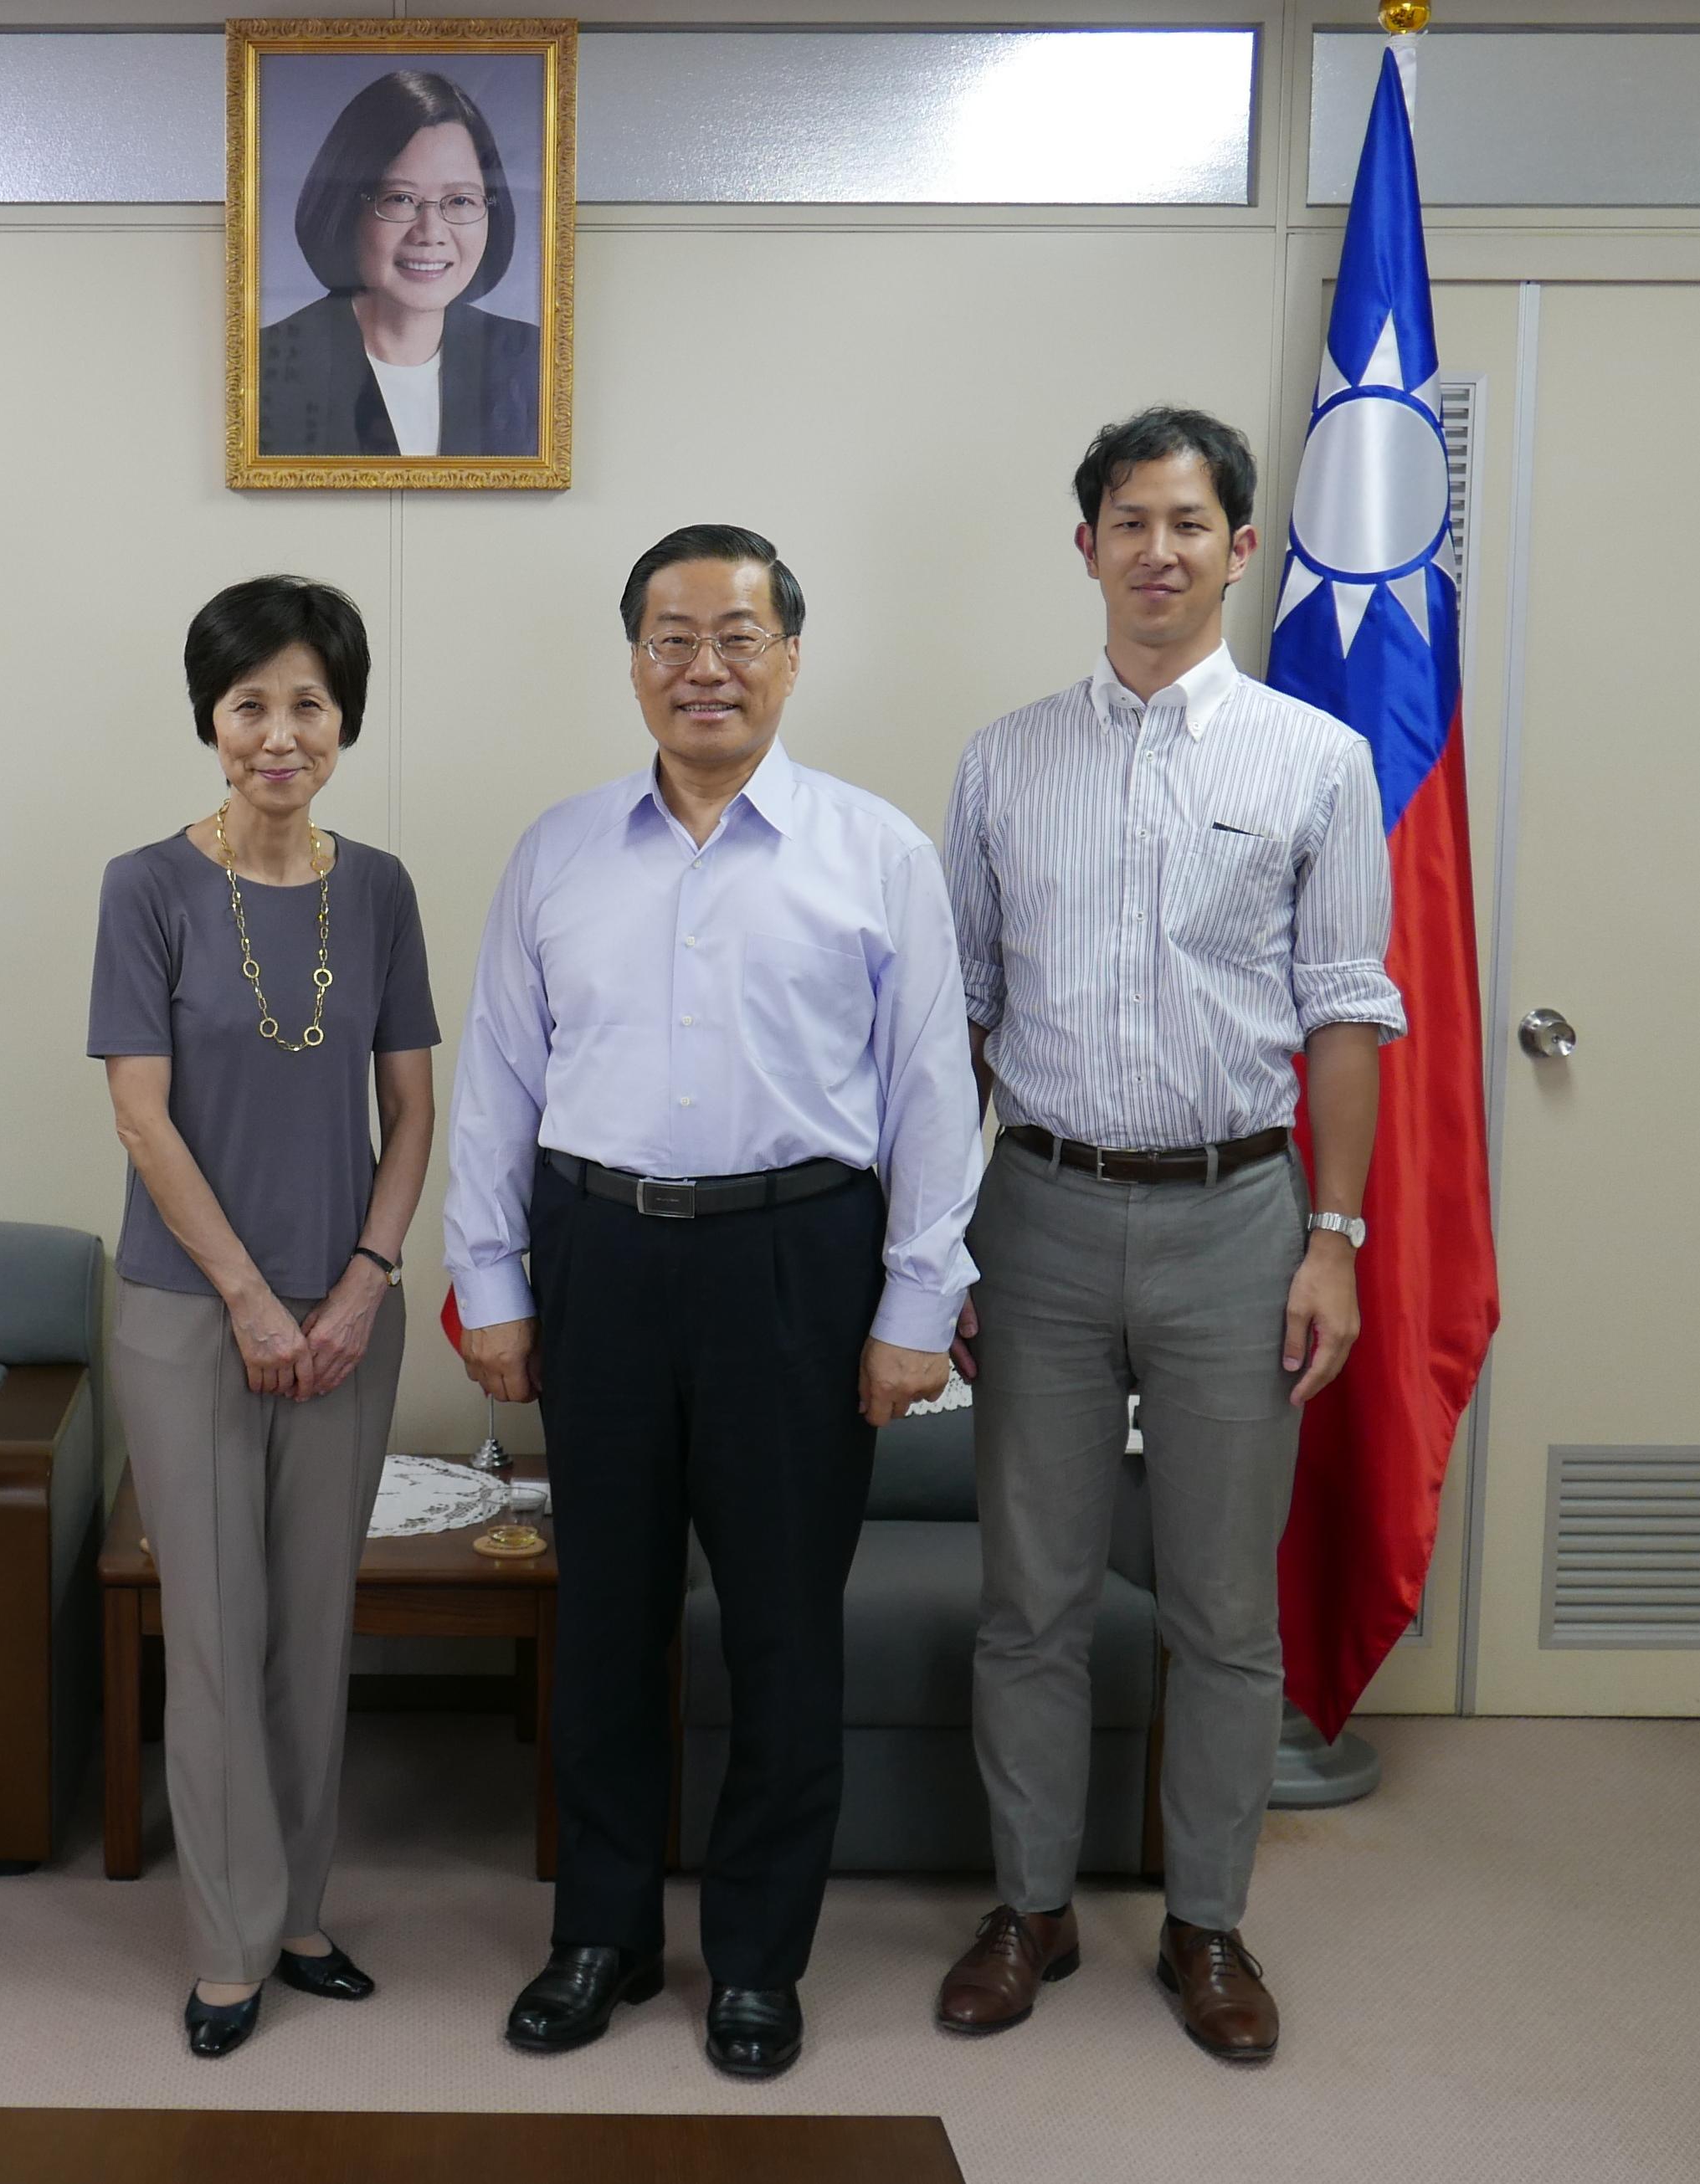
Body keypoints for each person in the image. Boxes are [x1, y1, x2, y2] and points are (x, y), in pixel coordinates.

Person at [444, 525, 983, 2082]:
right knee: (605, 1618)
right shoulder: (557, 851)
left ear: (791, 658)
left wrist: (914, 1306)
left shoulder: (877, 851)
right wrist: (491, 1283)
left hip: (798, 1261)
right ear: (634, 663)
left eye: (738, 636)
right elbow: (498, 1081)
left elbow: (932, 1093)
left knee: (784, 1634)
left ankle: (756, 1958)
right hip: (599, 1256)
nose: (705, 667)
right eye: (672, 638)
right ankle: (600, 1936)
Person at [935, 408, 1404, 2064]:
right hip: (1040, 1217)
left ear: (1239, 547)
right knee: (1030, 1602)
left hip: (1238, 1221)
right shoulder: (1001, 762)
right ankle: (1030, 1906)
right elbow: (956, 1020)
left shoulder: (1314, 760)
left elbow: (1345, 1012)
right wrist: (943, 1242)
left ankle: (1206, 1923)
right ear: (1086, 548)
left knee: (1220, 1611)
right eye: (1127, 522)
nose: (1157, 551)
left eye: (1189, 524)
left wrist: (1332, 1238)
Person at [88, 575, 438, 2058]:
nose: (279, 733)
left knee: (313, 1625)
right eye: (250, 705)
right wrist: (246, 1296)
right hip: (190, 1313)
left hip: (346, 1313)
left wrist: (362, 1280)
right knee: (219, 1636)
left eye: (308, 703)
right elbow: (141, 1116)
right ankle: (227, 1949)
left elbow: (411, 1110)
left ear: (342, 721)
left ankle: (301, 1914)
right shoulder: (147, 887)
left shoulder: (383, 890)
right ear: (210, 720)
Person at [258, 69, 539, 460]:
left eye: (461, 201)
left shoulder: (532, 360)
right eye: (400, 199)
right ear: (346, 210)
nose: (430, 233)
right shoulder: (266, 367)